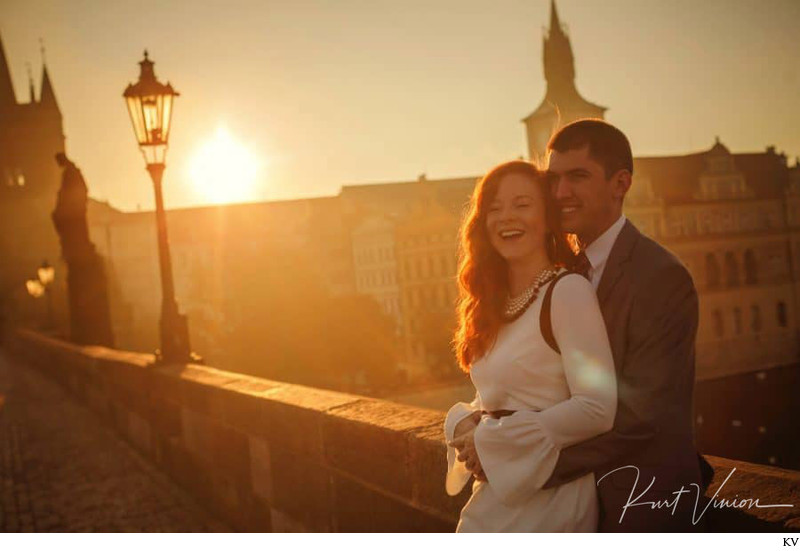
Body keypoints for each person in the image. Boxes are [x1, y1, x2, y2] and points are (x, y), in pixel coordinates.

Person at [444, 159, 618, 532]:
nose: (507, 217)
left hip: (550, 500)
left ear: (546, 218)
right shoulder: (491, 303)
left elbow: (597, 407)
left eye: (522, 205)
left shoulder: (568, 292)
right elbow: (507, 394)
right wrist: (471, 421)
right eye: (494, 208)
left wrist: (493, 440)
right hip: (495, 496)